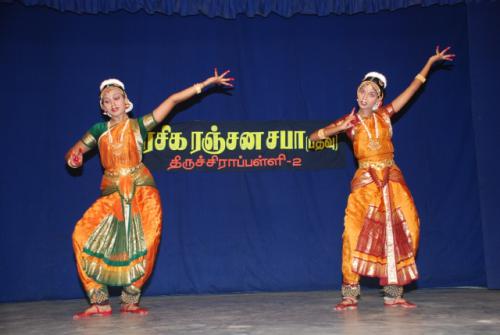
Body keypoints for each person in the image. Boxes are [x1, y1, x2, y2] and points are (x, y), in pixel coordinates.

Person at [67, 69, 234, 319]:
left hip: (142, 190)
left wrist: (206, 84)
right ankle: (99, 301)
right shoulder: (98, 130)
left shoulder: (139, 126)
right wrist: (75, 159)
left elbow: (174, 100)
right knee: (82, 234)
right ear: (103, 107)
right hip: (112, 192)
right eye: (107, 100)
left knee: (146, 242)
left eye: (116, 98)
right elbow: (74, 153)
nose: (113, 103)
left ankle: (130, 300)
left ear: (126, 102)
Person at [310, 46, 455, 310]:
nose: (366, 96)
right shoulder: (350, 121)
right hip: (365, 182)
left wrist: (430, 63)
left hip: (392, 178)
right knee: (353, 233)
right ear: (357, 94)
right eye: (363, 91)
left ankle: (393, 292)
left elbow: (413, 90)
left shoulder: (385, 115)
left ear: (378, 100)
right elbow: (312, 139)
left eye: (372, 93)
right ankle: (350, 294)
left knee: (408, 226)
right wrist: (337, 128)